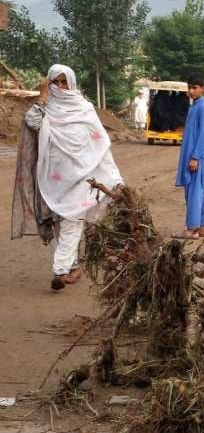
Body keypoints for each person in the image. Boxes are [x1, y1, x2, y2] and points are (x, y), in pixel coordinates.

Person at [11, 65, 124, 290]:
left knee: (73, 221)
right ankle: (72, 266)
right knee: (54, 223)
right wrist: (43, 97)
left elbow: (100, 146)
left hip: (82, 179)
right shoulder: (44, 109)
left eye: (65, 82)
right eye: (56, 82)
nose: (61, 87)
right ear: (49, 84)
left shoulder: (85, 110)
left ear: (72, 84)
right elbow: (31, 122)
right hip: (51, 180)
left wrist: (114, 176)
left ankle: (60, 270)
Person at [175, 75, 204, 238]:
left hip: (196, 156)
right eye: (189, 87)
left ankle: (192, 228)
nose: (191, 91)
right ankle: (203, 227)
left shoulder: (203, 107)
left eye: (195, 87)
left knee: (194, 191)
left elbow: (203, 134)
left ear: (203, 88)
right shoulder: (195, 106)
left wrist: (195, 157)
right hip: (192, 154)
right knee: (200, 191)